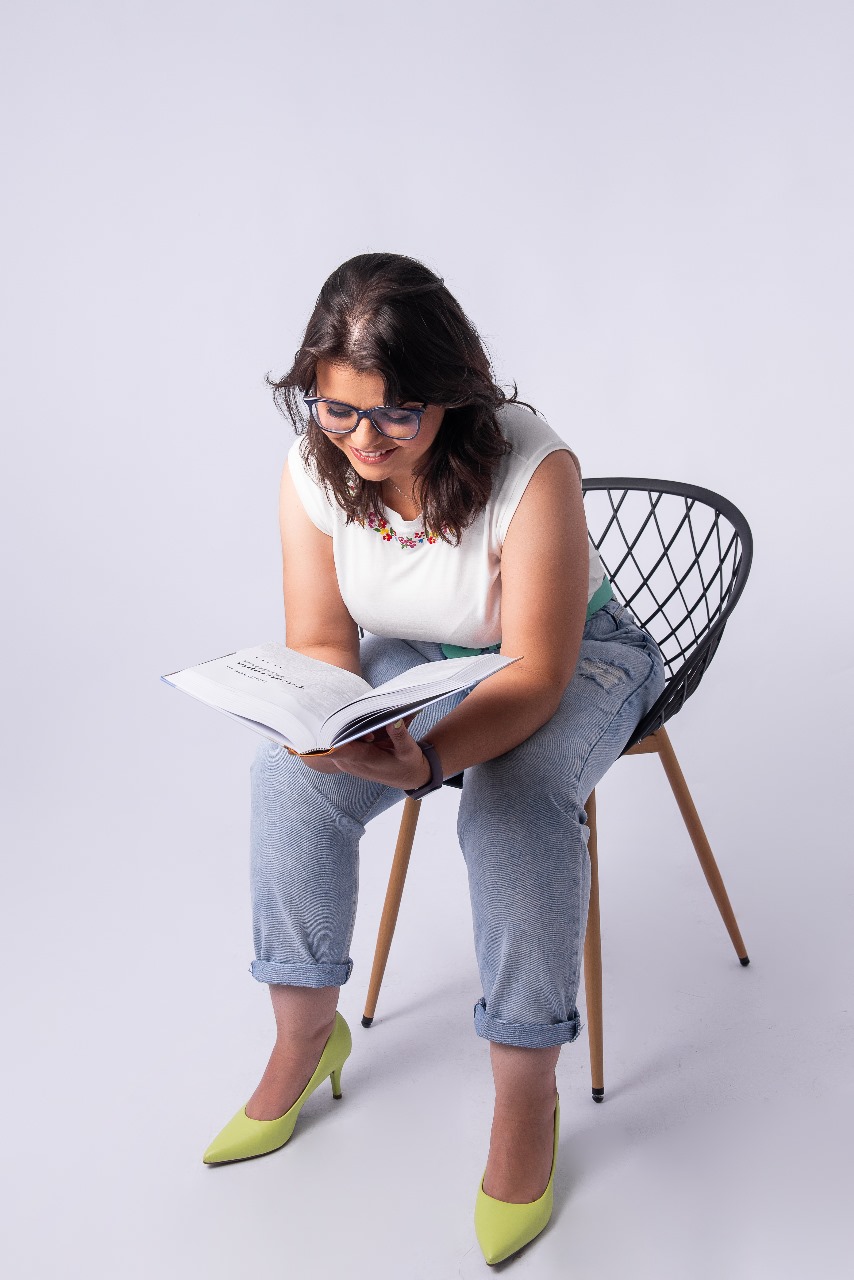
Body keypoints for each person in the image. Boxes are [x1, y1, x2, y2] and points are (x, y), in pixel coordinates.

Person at [201, 252, 666, 1265]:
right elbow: (322, 636)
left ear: (449, 392)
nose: (362, 439)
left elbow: (535, 674)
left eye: (393, 415)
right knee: (286, 774)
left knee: (510, 801)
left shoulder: (533, 466)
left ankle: (526, 1090)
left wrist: (426, 761)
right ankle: (303, 1032)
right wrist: (337, 721)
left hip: (573, 651)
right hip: (422, 649)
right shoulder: (314, 466)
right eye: (336, 409)